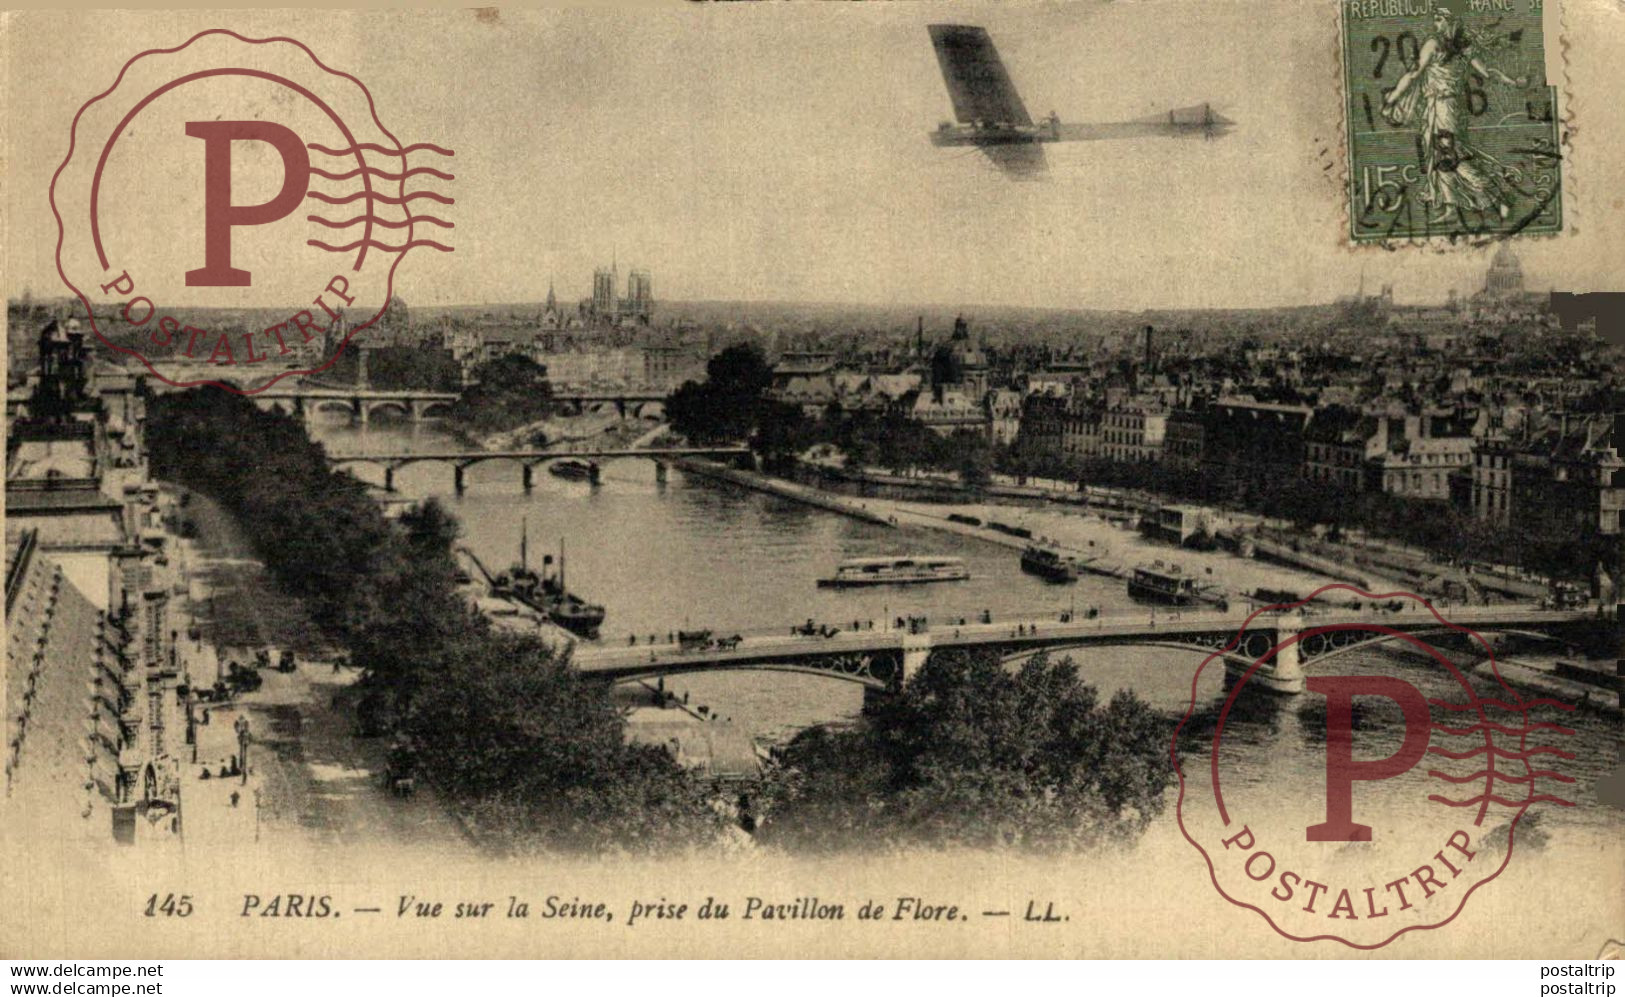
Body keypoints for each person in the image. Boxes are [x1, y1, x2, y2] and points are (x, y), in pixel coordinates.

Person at [1381, 6, 1528, 224]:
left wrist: (1392, 98)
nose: (1436, 24)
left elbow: (1413, 75)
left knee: (1452, 157)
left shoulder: (1434, 44)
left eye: (1440, 19)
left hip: (1444, 109)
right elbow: (1488, 73)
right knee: (1442, 157)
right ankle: (1450, 208)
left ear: (1452, 21)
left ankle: (1499, 197)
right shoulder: (1464, 47)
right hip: (1445, 108)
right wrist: (1512, 82)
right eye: (1435, 19)